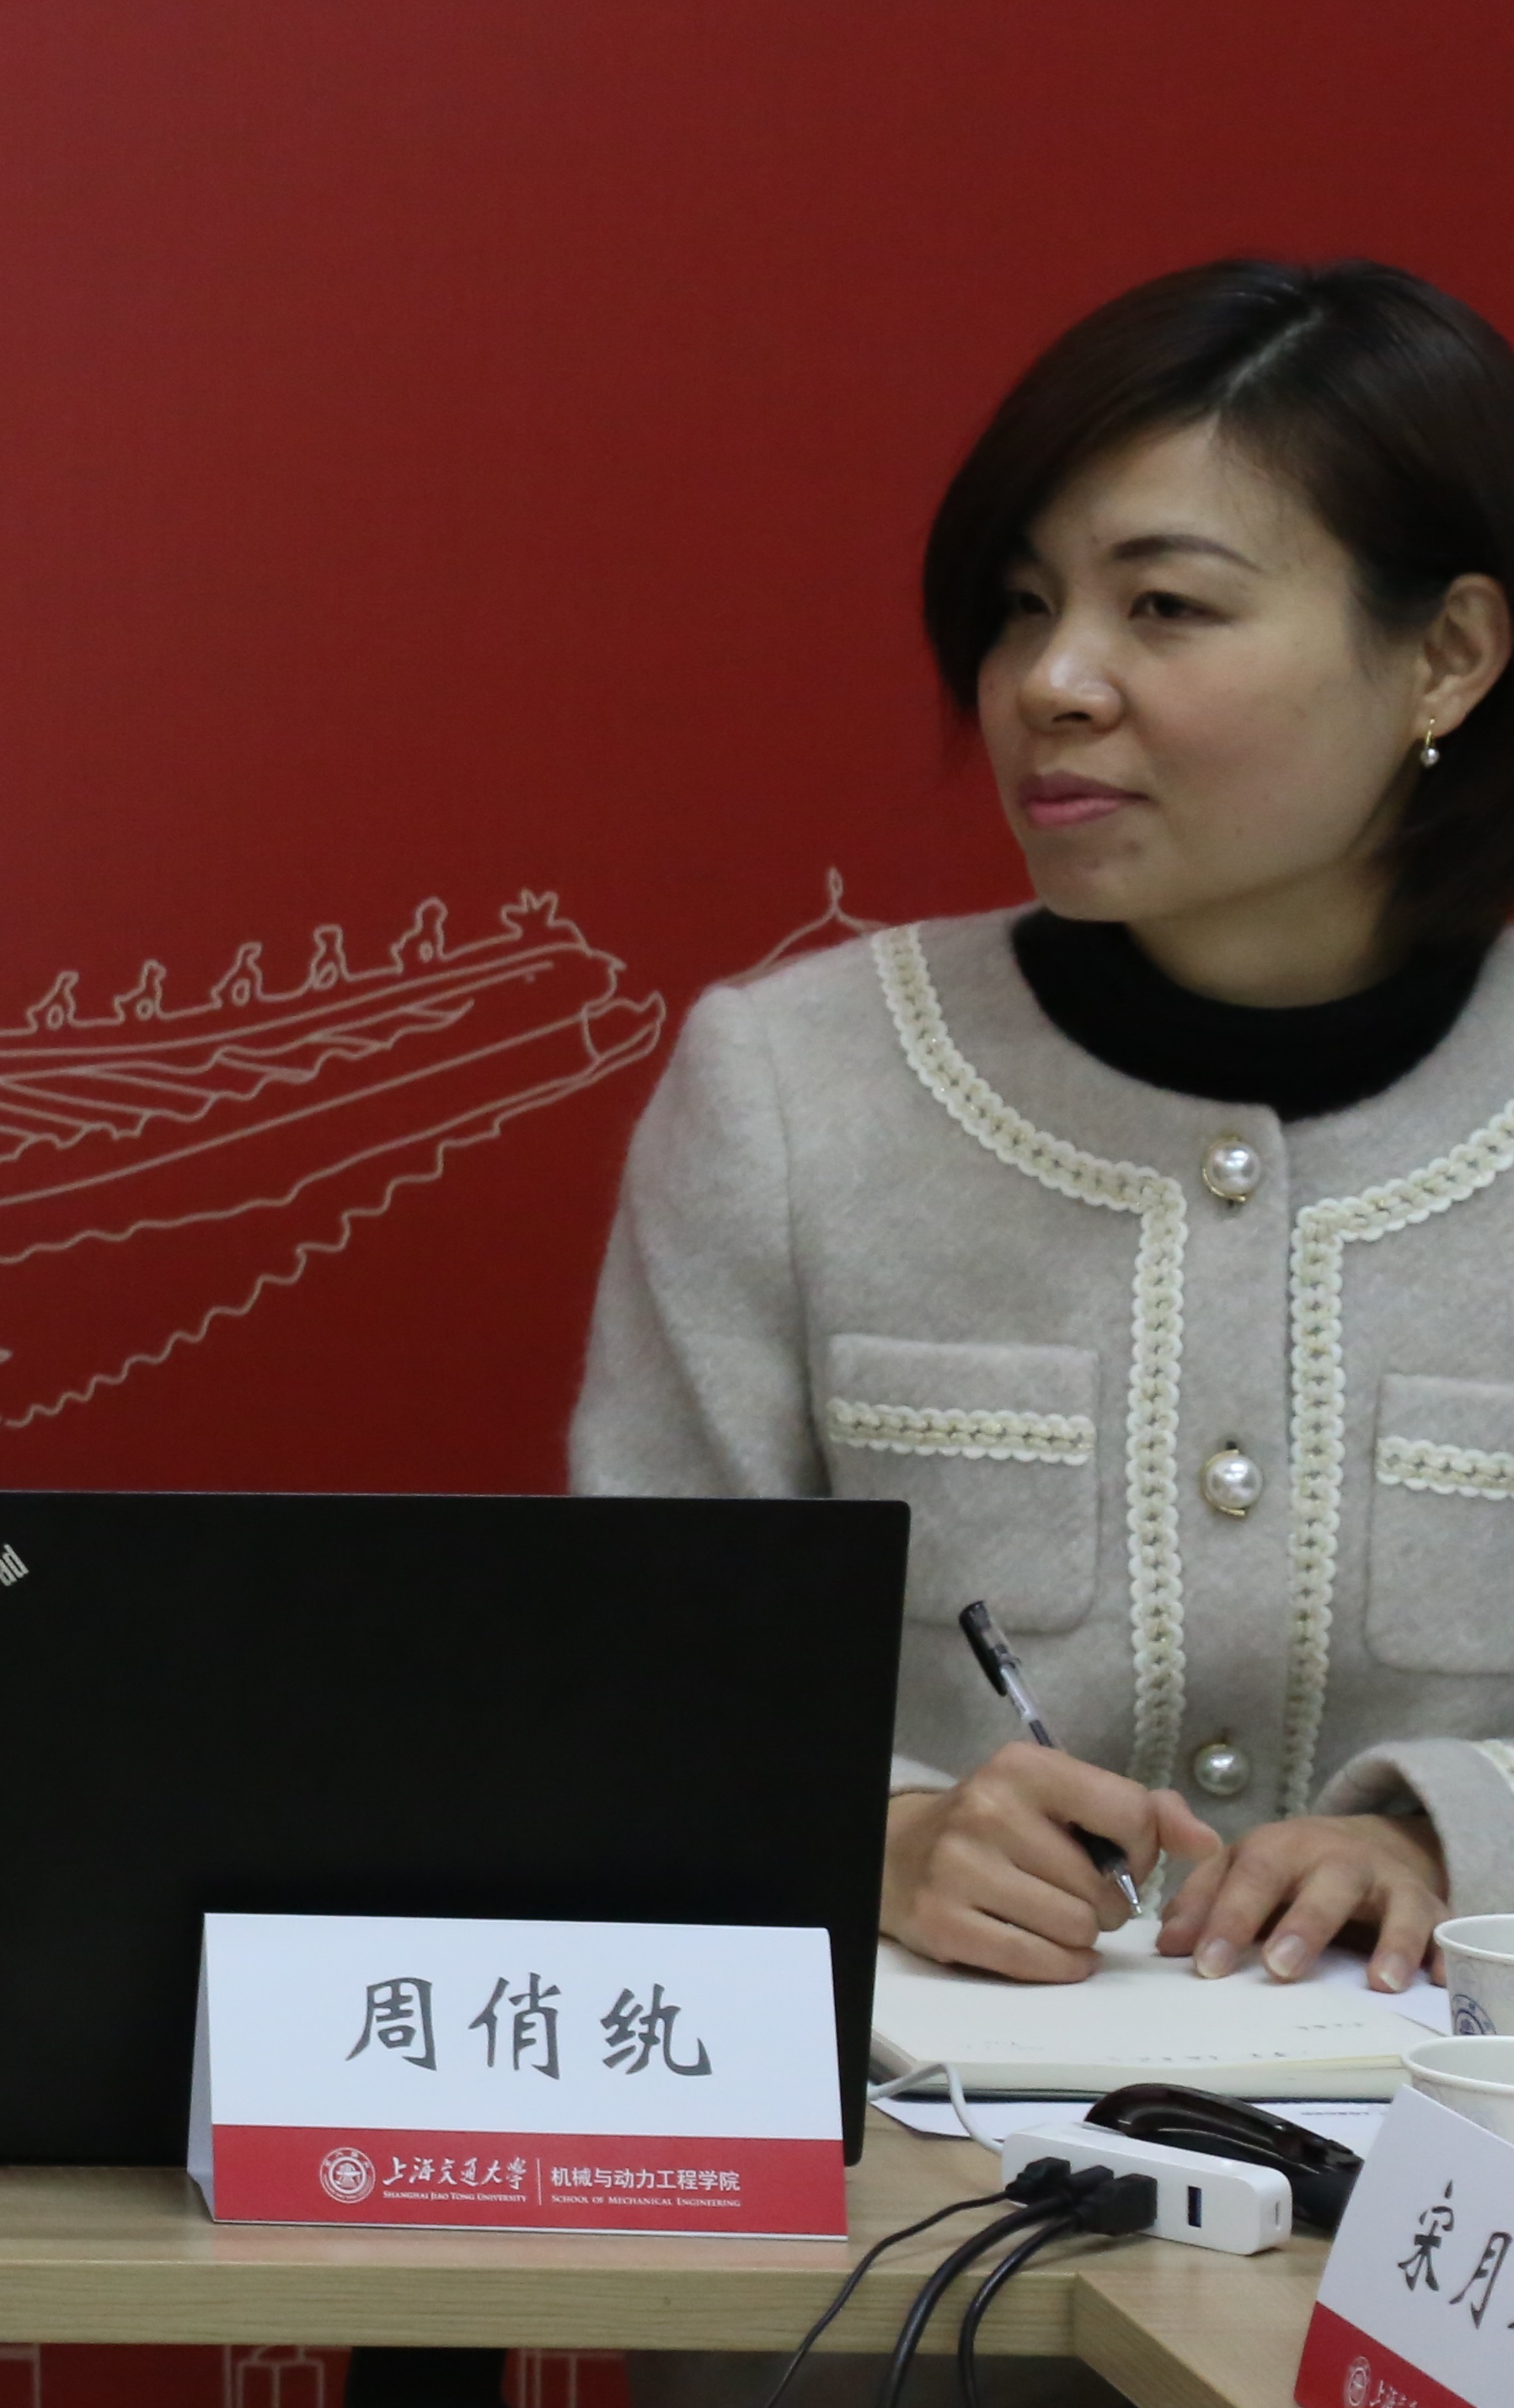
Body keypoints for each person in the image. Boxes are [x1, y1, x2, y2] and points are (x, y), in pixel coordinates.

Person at [577, 258, 1514, 2001]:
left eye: (1166, 606)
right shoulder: (794, 1088)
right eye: (1022, 605)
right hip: (927, 2118)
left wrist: (1451, 1840)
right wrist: (877, 1834)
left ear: (1446, 657)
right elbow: (634, 1668)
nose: (1053, 682)